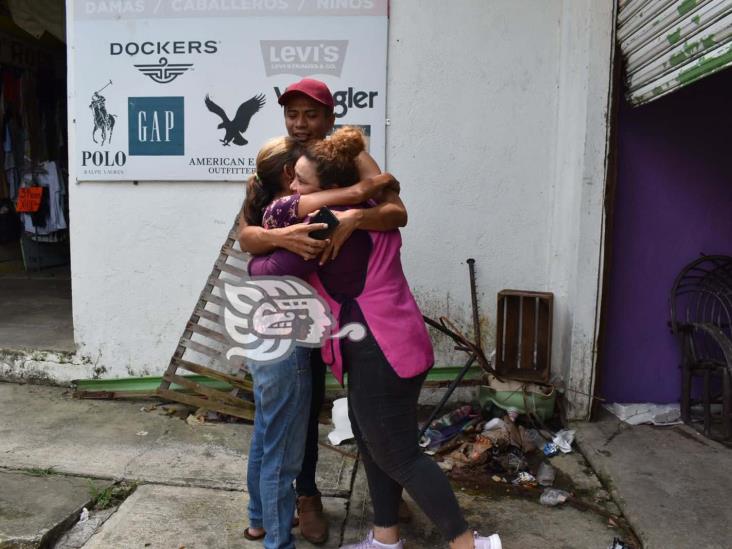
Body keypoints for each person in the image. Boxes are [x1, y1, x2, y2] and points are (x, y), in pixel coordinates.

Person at [248, 127, 502, 549]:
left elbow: (267, 265)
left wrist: (271, 238)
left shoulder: (325, 225)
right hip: (393, 343)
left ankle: (469, 544)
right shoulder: (370, 209)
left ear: (330, 189)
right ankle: (385, 539)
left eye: (302, 182)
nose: (293, 188)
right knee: (374, 444)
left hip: (379, 350)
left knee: (399, 454)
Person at [239, 78, 409, 545]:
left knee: (366, 402)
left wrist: (357, 216)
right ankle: (305, 497)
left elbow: (397, 213)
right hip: (295, 308)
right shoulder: (273, 163)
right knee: (300, 405)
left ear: (330, 117)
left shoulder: (350, 159)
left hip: (346, 301)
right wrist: (280, 237)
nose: (300, 124)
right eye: (292, 114)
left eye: (310, 114)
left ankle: (390, 498)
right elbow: (247, 235)